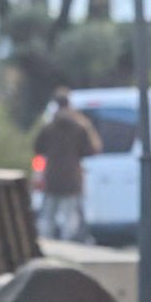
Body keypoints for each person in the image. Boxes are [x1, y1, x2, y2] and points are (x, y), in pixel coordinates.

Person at [33, 88, 101, 242]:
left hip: (52, 177)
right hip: (72, 177)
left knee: (48, 215)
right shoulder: (79, 127)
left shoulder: (49, 127)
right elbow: (93, 148)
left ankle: (47, 243)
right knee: (70, 216)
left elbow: (37, 148)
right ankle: (66, 244)